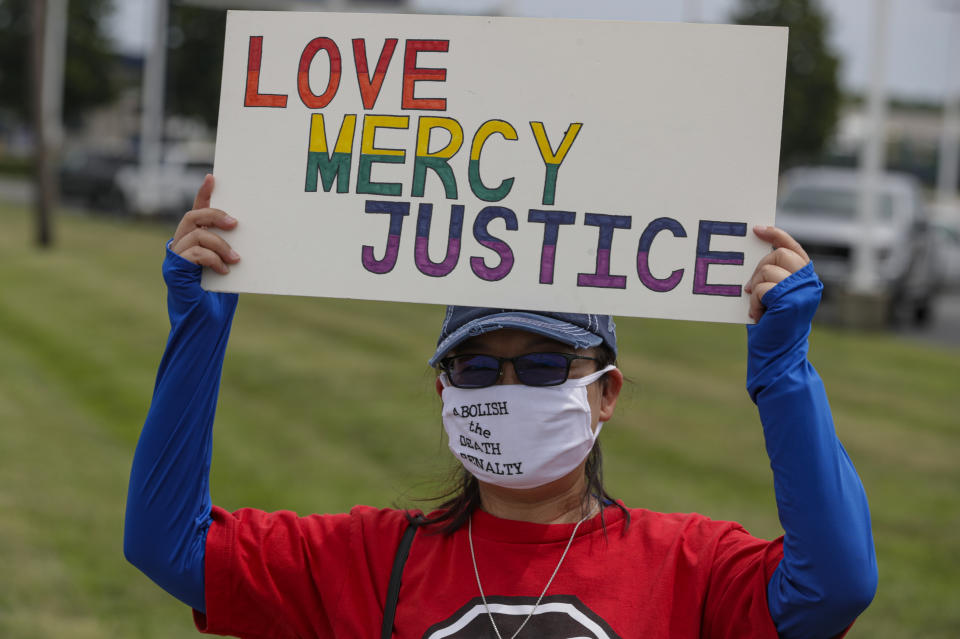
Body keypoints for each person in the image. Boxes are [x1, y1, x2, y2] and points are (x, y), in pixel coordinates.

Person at [124, 175, 877, 639]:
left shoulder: (687, 568)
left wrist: (784, 372)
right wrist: (202, 327)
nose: (509, 387)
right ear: (444, 391)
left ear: (606, 390)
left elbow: (835, 583)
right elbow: (169, 546)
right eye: (478, 368)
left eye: (546, 366)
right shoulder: (371, 560)